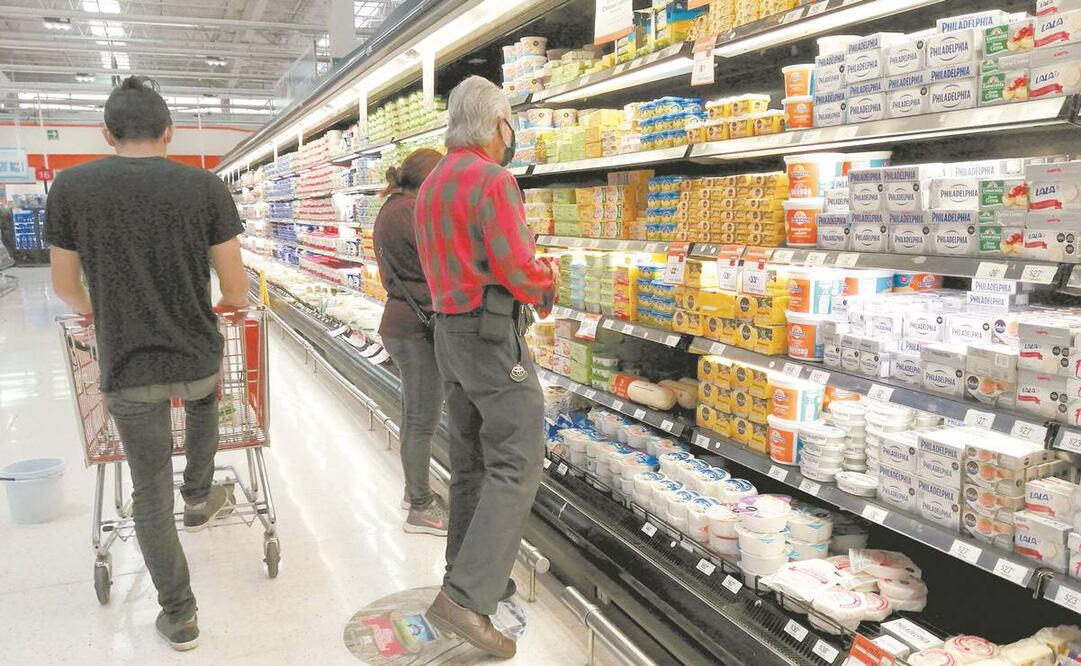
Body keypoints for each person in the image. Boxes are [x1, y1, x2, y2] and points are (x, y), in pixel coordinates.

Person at [45, 75, 249, 652]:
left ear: (107, 133)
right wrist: (217, 306)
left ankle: (179, 614)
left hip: (128, 368)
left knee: (147, 490)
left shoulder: (71, 188)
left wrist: (99, 315)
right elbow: (236, 290)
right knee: (208, 396)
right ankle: (200, 491)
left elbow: (64, 285)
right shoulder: (205, 188)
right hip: (198, 354)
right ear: (170, 132)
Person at [415, 75, 556, 660]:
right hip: (492, 332)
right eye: (511, 123)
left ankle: (472, 574)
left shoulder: (431, 182)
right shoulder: (493, 180)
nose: (512, 134)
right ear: (497, 126)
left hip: (448, 333)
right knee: (518, 463)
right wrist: (546, 281)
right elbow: (517, 269)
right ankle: (466, 598)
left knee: (471, 461)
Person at [372, 148, 449, 536]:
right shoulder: (410, 212)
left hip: (401, 323)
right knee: (422, 421)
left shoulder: (394, 207)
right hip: (414, 329)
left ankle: (412, 491)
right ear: (430, 179)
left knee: (414, 417)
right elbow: (441, 261)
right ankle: (420, 506)